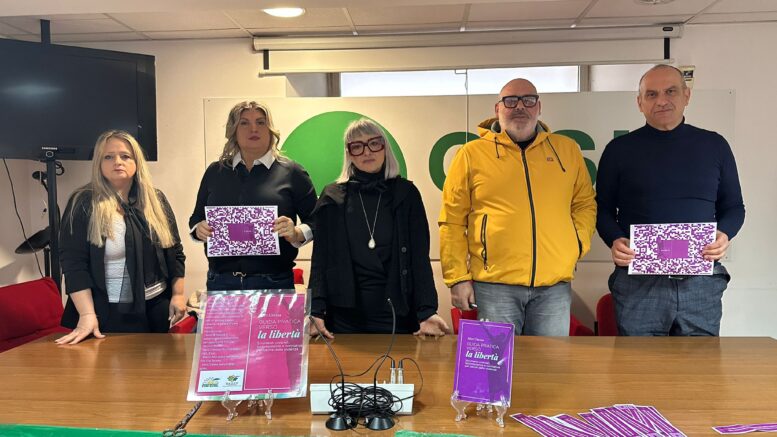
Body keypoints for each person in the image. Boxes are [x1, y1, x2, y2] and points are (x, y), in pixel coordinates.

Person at [439, 78, 596, 336]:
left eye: (528, 100)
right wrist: (457, 278)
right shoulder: (471, 154)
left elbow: (584, 203)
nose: (520, 107)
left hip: (553, 288)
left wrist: (576, 244)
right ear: (497, 108)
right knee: (497, 362)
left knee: (551, 361)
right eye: (511, 101)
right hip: (494, 287)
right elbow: (452, 221)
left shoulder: (566, 150)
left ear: (539, 107)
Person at [596, 64, 745, 336]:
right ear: (639, 103)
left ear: (686, 95)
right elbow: (603, 209)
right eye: (651, 94)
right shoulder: (618, 150)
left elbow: (734, 207)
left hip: (699, 282)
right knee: (639, 361)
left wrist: (724, 234)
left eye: (671, 91)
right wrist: (614, 239)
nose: (662, 100)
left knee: (699, 361)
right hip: (638, 284)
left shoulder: (715, 146)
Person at [309, 118, 449, 338]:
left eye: (374, 143)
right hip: (344, 316)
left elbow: (419, 258)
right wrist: (315, 310)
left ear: (385, 148)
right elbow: (320, 259)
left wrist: (427, 311)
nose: (367, 152)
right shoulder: (332, 197)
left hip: (396, 314)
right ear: (349, 154)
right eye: (357, 146)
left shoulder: (406, 194)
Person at [56, 130, 186, 345]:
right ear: (99, 163)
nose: (117, 161)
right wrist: (87, 315)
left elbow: (175, 251)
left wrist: (178, 295)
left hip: (156, 308)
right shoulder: (83, 202)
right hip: (107, 312)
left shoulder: (156, 200)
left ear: (137, 162)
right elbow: (73, 264)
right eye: (108, 157)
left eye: (125, 156)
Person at [189, 101, 316, 291]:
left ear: (270, 129)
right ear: (234, 130)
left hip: (274, 281)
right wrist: (199, 229)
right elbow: (196, 218)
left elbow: (317, 220)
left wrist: (296, 233)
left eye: (261, 122)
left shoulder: (292, 172)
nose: (253, 129)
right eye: (244, 123)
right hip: (221, 281)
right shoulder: (215, 172)